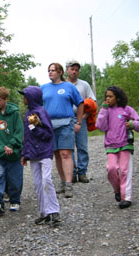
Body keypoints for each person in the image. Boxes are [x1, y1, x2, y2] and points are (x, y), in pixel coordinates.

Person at [41, 63, 84, 198]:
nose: (50, 72)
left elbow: (80, 102)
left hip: (66, 123)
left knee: (66, 153)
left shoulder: (69, 86)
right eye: (49, 70)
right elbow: (34, 103)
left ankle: (69, 184)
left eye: (53, 70)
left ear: (60, 72)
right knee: (57, 154)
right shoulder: (43, 88)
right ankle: (62, 182)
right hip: (49, 125)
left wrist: (79, 122)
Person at [19, 86, 61, 225]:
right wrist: (24, 153)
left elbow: (48, 134)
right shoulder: (28, 114)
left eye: (25, 96)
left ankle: (54, 211)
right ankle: (44, 212)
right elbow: (27, 136)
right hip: (33, 154)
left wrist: (36, 128)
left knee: (46, 181)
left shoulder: (41, 112)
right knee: (37, 183)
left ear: (32, 98)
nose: (23, 99)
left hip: (44, 152)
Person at [96, 86, 139, 209]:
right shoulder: (106, 111)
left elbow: (138, 122)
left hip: (125, 144)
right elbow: (100, 126)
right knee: (111, 169)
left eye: (110, 96)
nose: (107, 99)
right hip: (111, 145)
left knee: (125, 171)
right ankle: (117, 190)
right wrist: (103, 110)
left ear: (118, 98)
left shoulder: (127, 109)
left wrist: (132, 124)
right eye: (106, 97)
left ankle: (126, 198)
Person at [0, 87, 24, 214]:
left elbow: (19, 132)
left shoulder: (15, 114)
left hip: (14, 154)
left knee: (14, 179)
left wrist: (11, 145)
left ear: (6, 99)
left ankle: (15, 200)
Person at [66, 61, 97, 183]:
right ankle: (71, 173)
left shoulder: (84, 85)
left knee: (82, 146)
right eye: (72, 69)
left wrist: (83, 117)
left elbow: (92, 103)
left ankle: (82, 172)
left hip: (81, 118)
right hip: (67, 119)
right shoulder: (62, 84)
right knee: (68, 147)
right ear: (67, 70)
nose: (74, 71)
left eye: (76, 70)